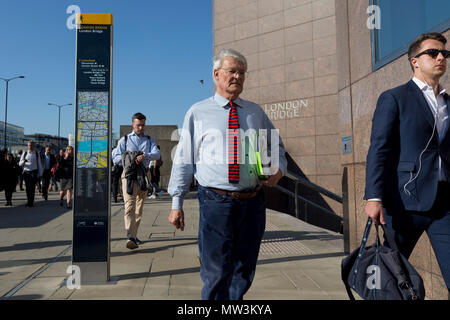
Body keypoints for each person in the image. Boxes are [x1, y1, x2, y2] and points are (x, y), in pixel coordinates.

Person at [168, 48, 287, 300]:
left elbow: (276, 146)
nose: (237, 76)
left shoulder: (255, 112)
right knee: (216, 270)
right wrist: (176, 202)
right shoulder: (198, 112)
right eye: (231, 71)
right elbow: (183, 159)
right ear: (216, 74)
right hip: (215, 201)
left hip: (253, 202)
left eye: (242, 72)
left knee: (244, 269)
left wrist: (278, 169)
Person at [364, 32, 450, 293]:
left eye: (444, 54)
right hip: (404, 203)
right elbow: (379, 149)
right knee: (390, 276)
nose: (441, 58)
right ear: (415, 61)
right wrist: (373, 197)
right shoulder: (395, 97)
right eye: (433, 53)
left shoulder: (448, 103)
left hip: (444, 205)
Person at [112, 112, 160, 250]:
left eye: (143, 125)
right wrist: (129, 159)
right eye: (138, 125)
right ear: (133, 124)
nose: (141, 128)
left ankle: (134, 234)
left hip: (144, 175)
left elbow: (157, 154)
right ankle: (130, 236)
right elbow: (115, 157)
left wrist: (145, 155)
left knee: (139, 208)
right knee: (130, 205)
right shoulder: (125, 140)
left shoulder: (150, 140)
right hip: (128, 175)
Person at [19, 141, 44, 207]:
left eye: (32, 145)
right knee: (27, 188)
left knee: (32, 188)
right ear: (27, 146)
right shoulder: (25, 153)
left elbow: (39, 164)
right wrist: (24, 161)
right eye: (29, 145)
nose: (30, 146)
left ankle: (31, 202)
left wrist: (41, 174)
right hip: (26, 172)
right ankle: (28, 201)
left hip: (33, 172)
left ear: (34, 146)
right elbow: (19, 164)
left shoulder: (36, 154)